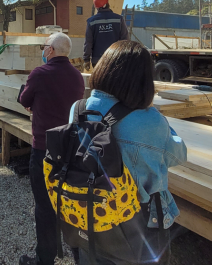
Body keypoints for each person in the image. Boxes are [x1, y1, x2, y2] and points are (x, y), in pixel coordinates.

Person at [73, 40, 187, 264]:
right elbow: (178, 155)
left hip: (88, 216)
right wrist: (157, 117)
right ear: (143, 80)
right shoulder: (149, 120)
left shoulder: (78, 108)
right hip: (138, 225)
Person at [18, 32, 85, 265]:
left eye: (44, 47)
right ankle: (80, 256)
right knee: (72, 203)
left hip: (44, 150)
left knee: (45, 208)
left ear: (50, 50)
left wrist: (30, 99)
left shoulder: (39, 73)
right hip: (70, 151)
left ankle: (44, 259)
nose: (42, 51)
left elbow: (25, 100)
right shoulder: (78, 77)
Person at [83, 0, 129, 69]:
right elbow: (125, 41)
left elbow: (88, 42)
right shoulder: (119, 19)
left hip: (98, 61)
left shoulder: (91, 22)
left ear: (96, 7)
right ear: (107, 3)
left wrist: (86, 59)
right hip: (116, 59)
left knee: (100, 80)